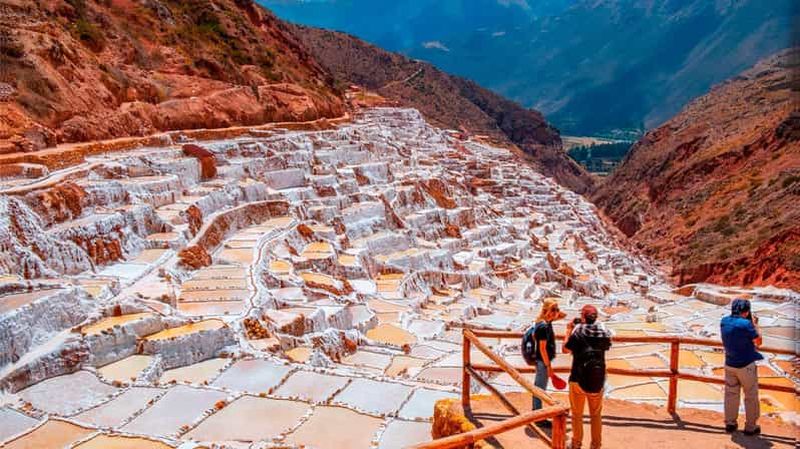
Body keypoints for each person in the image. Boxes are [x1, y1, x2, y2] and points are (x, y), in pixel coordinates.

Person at [563, 304, 612, 449]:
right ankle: (596, 445)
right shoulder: (604, 333)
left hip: (578, 378)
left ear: (583, 317)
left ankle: (576, 443)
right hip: (598, 379)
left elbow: (565, 349)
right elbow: (608, 344)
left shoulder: (578, 332)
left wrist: (568, 330)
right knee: (596, 415)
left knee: (577, 414)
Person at [721, 298, 763, 435]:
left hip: (729, 364)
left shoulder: (724, 321)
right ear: (746, 311)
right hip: (746, 366)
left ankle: (730, 423)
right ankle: (750, 426)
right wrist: (755, 324)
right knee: (751, 395)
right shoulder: (746, 324)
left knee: (731, 394)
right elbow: (758, 342)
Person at [524, 298, 566, 421]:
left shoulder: (545, 322)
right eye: (553, 309)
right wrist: (548, 367)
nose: (556, 312)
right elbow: (542, 349)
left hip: (542, 361)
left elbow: (564, 315)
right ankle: (538, 417)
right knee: (540, 389)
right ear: (545, 310)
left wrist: (554, 311)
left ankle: (537, 413)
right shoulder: (543, 327)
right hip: (543, 362)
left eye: (557, 309)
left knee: (540, 387)